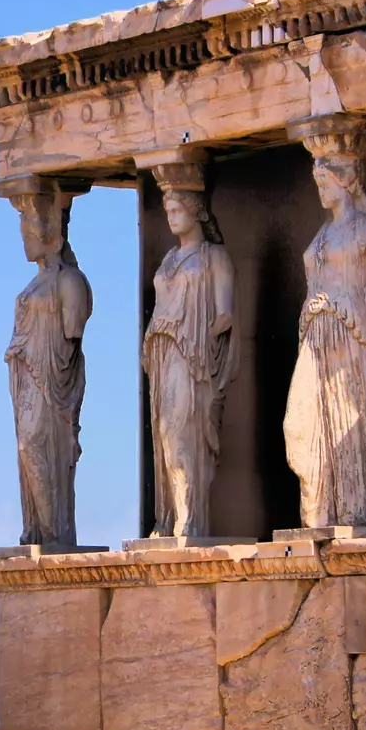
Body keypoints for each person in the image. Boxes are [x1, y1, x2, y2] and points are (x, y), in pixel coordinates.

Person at [285, 146, 366, 529]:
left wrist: (351, 313)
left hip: (350, 334)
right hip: (315, 334)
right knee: (298, 426)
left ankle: (355, 513)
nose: (321, 190)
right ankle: (318, 511)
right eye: (317, 182)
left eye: (325, 181)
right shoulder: (321, 233)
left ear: (345, 182)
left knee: (351, 423)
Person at [144, 179, 237, 538]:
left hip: (193, 354)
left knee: (180, 431)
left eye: (177, 210)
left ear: (196, 211)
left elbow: (225, 314)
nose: (170, 217)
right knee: (164, 431)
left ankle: (190, 517)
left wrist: (202, 339)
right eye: (167, 211)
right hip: (163, 353)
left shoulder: (214, 257)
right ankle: (172, 516)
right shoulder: (169, 259)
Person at [5, 185, 92, 547]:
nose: (24, 239)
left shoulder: (69, 281)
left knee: (35, 446)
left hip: (51, 382)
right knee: (25, 448)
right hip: (26, 379)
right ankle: (39, 530)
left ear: (48, 232)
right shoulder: (36, 282)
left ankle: (55, 532)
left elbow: (72, 333)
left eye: (29, 231)